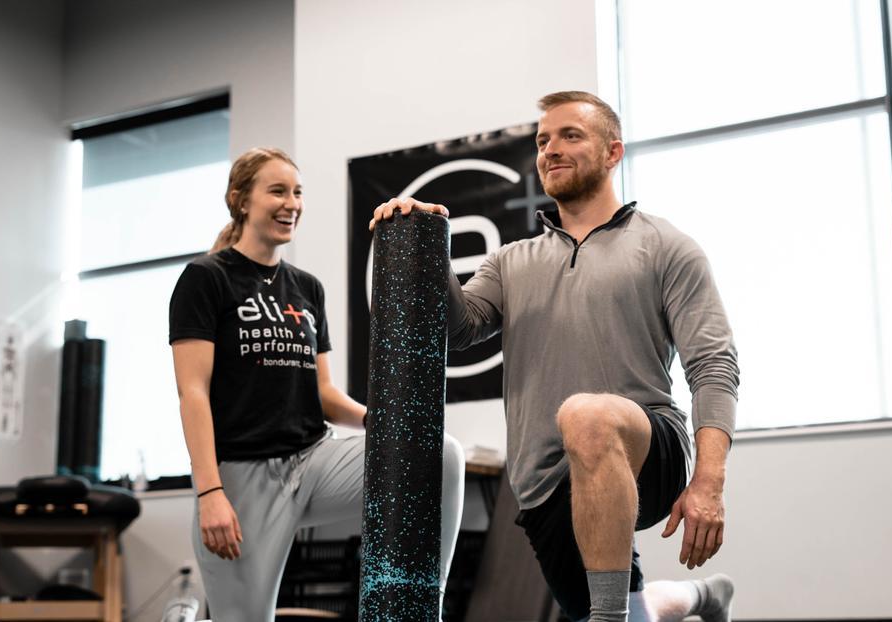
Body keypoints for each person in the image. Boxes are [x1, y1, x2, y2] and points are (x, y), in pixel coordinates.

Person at [370, 92, 739, 622]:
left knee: (588, 416)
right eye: (543, 140)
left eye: (571, 135)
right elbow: (459, 329)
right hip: (544, 479)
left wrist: (709, 483)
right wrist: (425, 245)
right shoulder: (511, 261)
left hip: (647, 446)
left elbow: (713, 365)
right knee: (631, 611)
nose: (550, 149)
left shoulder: (664, 246)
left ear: (613, 153)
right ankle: (702, 595)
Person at [170, 147, 465, 621]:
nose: (292, 203)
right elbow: (193, 393)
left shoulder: (306, 288)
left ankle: (424, 602)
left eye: (298, 192)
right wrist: (209, 493)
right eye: (278, 191)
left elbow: (323, 394)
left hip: (313, 459)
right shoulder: (206, 279)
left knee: (438, 451)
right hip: (243, 477)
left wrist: (382, 424)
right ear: (241, 200)